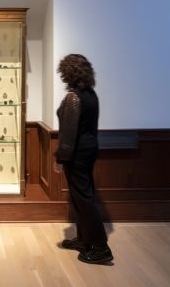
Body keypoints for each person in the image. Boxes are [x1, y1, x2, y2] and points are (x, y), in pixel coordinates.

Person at [54, 54, 113, 265]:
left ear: (68, 73)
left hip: (77, 154)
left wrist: (60, 158)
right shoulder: (90, 94)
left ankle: (100, 248)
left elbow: (68, 134)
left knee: (84, 199)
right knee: (82, 196)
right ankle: (84, 240)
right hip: (89, 150)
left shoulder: (74, 98)